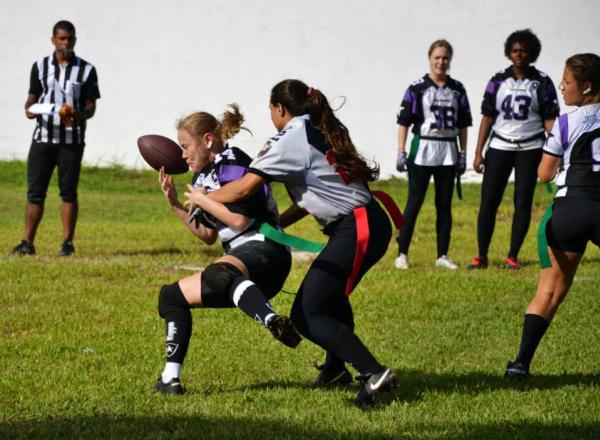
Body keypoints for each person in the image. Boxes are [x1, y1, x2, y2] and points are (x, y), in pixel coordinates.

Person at [186, 80, 398, 406]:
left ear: (280, 108)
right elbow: (311, 197)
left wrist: (204, 198)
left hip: (358, 227)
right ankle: (335, 370)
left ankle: (374, 372)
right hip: (363, 223)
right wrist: (276, 225)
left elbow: (244, 188)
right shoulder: (317, 127)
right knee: (330, 299)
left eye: (270, 109)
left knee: (307, 314)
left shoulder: (291, 136)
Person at [153, 105, 300, 395]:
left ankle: (271, 319)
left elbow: (239, 220)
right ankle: (170, 379)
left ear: (208, 140)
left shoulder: (233, 163)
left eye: (185, 146)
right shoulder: (201, 178)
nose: (182, 155)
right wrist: (175, 204)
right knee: (171, 297)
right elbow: (208, 235)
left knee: (220, 272)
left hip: (265, 249)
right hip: (242, 266)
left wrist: (203, 200)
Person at [505, 53, 600, 379]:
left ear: (586, 87)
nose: (561, 85)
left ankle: (520, 364)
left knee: (549, 291)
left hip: (570, 208)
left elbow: (545, 174)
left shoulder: (565, 122)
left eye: (567, 81)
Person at [468, 29, 560, 270]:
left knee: (523, 202)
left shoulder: (542, 81)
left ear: (532, 53)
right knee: (489, 201)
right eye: (515, 50)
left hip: (530, 146)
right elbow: (487, 117)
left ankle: (512, 256)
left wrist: (557, 149)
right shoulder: (498, 80)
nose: (520, 55)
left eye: (524, 51)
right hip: (500, 145)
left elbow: (549, 119)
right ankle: (481, 255)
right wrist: (478, 152)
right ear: (509, 52)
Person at [10, 20, 100, 257]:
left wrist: (77, 114)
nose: (65, 42)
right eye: (61, 38)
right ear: (53, 40)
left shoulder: (86, 70)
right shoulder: (40, 66)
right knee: (35, 191)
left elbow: (91, 106)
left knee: (68, 192)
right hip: (43, 138)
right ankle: (26, 242)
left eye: (69, 38)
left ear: (75, 40)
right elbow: (32, 97)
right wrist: (29, 109)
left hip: (71, 140)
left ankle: (67, 243)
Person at [394, 39, 472, 270]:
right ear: (429, 58)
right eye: (437, 57)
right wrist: (401, 150)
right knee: (414, 202)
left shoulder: (457, 89)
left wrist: (463, 153)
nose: (441, 62)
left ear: (450, 60)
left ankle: (442, 255)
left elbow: (463, 125)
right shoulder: (417, 88)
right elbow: (404, 122)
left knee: (444, 204)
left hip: (447, 150)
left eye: (445, 57)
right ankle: (402, 253)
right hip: (423, 149)